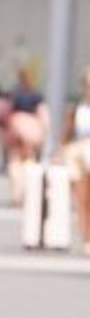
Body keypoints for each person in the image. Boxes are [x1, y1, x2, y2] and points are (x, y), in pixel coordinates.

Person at [1, 64, 48, 208]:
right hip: (31, 129)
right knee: (30, 160)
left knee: (15, 162)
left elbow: (6, 113)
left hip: (16, 127)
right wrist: (43, 133)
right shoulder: (37, 95)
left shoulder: (14, 94)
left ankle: (17, 193)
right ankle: (27, 192)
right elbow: (43, 115)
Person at [67, 65, 90, 254]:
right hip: (80, 156)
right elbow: (66, 135)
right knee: (83, 200)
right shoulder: (77, 109)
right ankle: (86, 238)